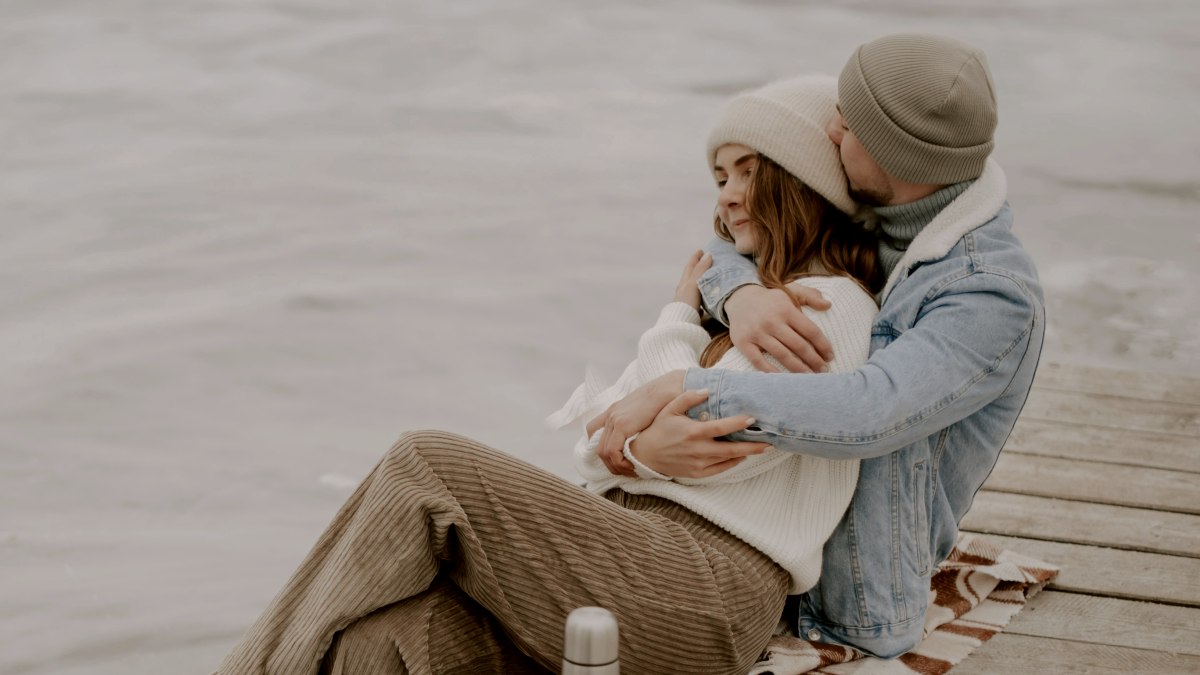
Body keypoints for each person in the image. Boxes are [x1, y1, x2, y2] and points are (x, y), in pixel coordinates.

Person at [217, 77, 879, 675]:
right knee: (385, 640)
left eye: (747, 172)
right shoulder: (745, 307)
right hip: (622, 559)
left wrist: (676, 320)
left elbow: (727, 449)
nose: (728, 196)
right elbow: (598, 445)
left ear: (801, 179)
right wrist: (640, 446)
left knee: (426, 462)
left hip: (703, 589)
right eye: (718, 177)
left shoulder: (835, 305)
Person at [590, 33, 1045, 659]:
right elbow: (745, 226)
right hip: (770, 553)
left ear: (891, 151)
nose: (830, 128)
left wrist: (686, 385)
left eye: (849, 120)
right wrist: (739, 292)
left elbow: (869, 410)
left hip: (847, 601)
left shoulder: (989, 295)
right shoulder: (895, 207)